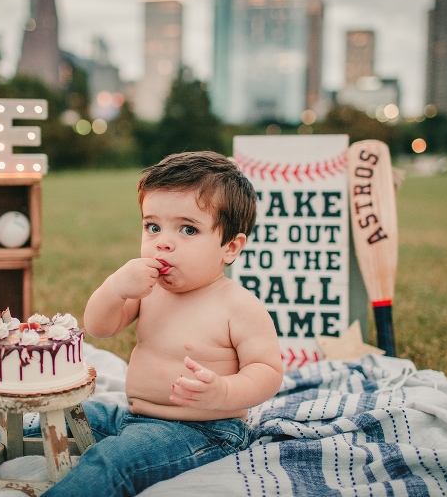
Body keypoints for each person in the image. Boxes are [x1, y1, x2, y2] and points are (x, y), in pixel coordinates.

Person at [42, 151, 283, 497]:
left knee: (113, 460)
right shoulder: (147, 289)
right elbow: (99, 327)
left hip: (203, 430)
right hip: (133, 417)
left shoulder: (238, 306)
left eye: (187, 229)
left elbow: (267, 370)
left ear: (230, 247)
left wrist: (223, 392)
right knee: (59, 415)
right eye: (152, 226)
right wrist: (114, 289)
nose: (162, 242)